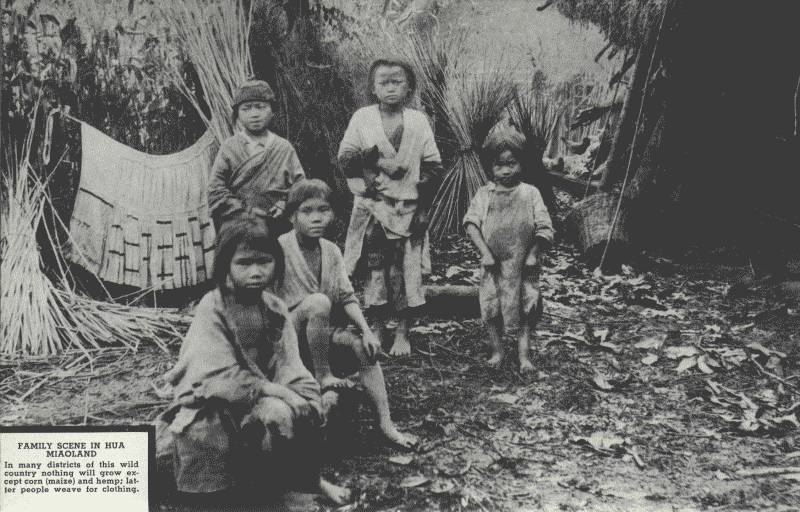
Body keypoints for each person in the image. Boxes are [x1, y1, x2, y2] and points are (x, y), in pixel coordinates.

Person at [159, 214, 350, 505]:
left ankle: (309, 482)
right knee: (272, 415)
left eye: (264, 262)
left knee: (300, 408)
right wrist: (280, 393)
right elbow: (215, 375)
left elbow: (290, 364)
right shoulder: (213, 307)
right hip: (213, 403)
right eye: (244, 263)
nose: (256, 272)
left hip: (259, 396)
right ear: (227, 265)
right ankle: (273, 492)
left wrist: (307, 396)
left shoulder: (273, 307)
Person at [276, 179, 418, 449]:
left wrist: (366, 332)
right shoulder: (280, 248)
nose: (316, 218)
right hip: (288, 336)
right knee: (317, 302)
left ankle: (386, 423)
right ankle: (322, 376)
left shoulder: (331, 251)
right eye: (307, 211)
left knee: (363, 346)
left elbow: (346, 296)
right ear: (292, 216)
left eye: (323, 210)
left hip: (321, 334)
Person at [338, 57, 443, 357]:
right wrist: (377, 160)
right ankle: (376, 325)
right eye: (383, 82)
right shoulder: (362, 118)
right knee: (375, 267)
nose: (391, 88)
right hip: (374, 206)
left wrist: (423, 208)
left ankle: (402, 331)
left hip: (408, 208)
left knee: (405, 270)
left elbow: (434, 166)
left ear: (409, 86)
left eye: (397, 81)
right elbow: (345, 159)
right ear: (373, 88)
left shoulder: (418, 121)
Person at [463, 130, 555, 373]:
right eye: (499, 165)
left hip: (524, 262)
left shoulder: (530, 193)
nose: (505, 171)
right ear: (490, 167)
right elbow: (471, 224)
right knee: (492, 305)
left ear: (522, 163)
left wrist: (534, 253)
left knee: (526, 307)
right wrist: (485, 252)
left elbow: (545, 227)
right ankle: (498, 351)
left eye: (511, 164)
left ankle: (524, 355)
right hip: (494, 264)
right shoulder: (485, 194)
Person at [208, 79, 305, 231]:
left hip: (279, 224)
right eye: (246, 109)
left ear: (272, 111)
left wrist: (284, 204)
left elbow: (300, 186)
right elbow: (215, 188)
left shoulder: (283, 148)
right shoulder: (229, 147)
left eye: (261, 107)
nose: (254, 114)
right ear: (237, 115)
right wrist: (242, 211)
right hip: (240, 224)